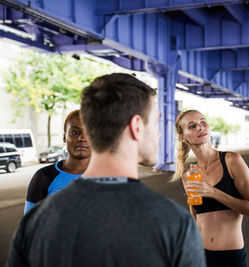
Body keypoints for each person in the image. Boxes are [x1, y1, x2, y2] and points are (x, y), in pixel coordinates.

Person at [7, 73, 206, 267]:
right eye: (155, 122)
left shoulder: (35, 221)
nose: (159, 134)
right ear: (136, 126)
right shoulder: (174, 224)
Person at [172, 109, 249, 267]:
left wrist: (214, 193)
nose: (200, 127)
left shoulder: (232, 160)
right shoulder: (188, 174)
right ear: (182, 137)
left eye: (203, 122)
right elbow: (195, 218)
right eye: (192, 126)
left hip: (230, 257)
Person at [24, 109, 90, 214]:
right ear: (64, 137)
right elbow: (30, 226)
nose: (82, 138)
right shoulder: (44, 177)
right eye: (74, 132)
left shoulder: (110, 176)